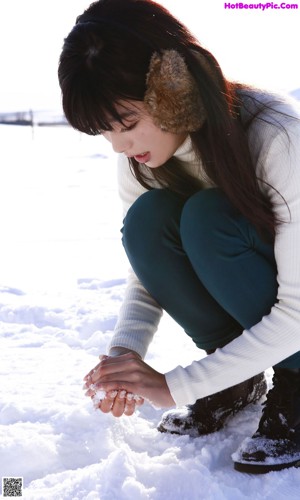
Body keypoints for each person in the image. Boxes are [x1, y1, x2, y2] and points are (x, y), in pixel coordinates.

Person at [58, 0, 300, 473]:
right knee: (148, 222)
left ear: (175, 87)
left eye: (127, 124)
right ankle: (234, 376)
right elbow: (149, 270)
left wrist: (176, 386)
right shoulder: (142, 158)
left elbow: (298, 310)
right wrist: (124, 356)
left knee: (208, 218)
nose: (120, 146)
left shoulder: (278, 136)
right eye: (105, 131)